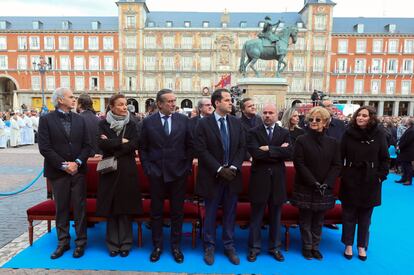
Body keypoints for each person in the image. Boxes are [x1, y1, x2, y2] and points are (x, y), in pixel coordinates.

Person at [139, 89, 192, 264]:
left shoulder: (184, 120)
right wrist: (148, 168)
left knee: (177, 212)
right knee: (156, 212)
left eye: (174, 100)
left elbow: (189, 146)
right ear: (159, 104)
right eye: (169, 101)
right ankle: (158, 246)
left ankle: (176, 246)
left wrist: (185, 168)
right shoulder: (148, 122)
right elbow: (143, 148)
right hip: (156, 174)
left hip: (178, 174)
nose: (173, 104)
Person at [38, 87, 91, 259]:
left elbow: (87, 145)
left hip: (78, 171)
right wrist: (63, 165)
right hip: (58, 172)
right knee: (61, 208)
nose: (74, 99)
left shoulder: (80, 119)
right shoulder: (46, 120)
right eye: (71, 97)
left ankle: (81, 242)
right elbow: (45, 148)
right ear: (60, 100)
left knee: (79, 208)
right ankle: (63, 242)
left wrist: (76, 163)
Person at [194, 88, 245, 266]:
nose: (231, 102)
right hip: (211, 177)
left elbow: (241, 147)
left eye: (231, 100)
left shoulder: (237, 123)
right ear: (217, 102)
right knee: (210, 213)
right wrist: (218, 169)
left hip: (232, 176)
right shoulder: (203, 124)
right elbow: (201, 150)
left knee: (230, 214)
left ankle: (229, 246)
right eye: (227, 100)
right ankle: (209, 246)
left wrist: (233, 167)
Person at [291, 106, 341, 260]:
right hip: (306, 185)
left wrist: (327, 183)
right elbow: (299, 163)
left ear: (325, 122)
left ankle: (315, 246)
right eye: (311, 119)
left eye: (317, 120)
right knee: (305, 219)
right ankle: (307, 246)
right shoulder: (301, 140)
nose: (313, 122)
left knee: (319, 220)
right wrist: (313, 182)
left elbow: (337, 164)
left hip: (325, 187)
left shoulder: (333, 142)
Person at [340, 106, 389, 261]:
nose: (360, 118)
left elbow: (385, 158)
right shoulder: (348, 134)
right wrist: (343, 174)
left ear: (371, 118)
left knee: (365, 217)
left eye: (364, 115)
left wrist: (381, 176)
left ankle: (361, 246)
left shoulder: (379, 134)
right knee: (348, 214)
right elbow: (339, 156)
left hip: (371, 180)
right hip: (351, 178)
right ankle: (348, 244)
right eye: (358, 115)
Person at [96, 94, 142, 257]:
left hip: (127, 170)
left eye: (125, 104)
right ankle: (112, 243)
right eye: (121, 104)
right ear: (112, 107)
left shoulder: (133, 123)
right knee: (111, 208)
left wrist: (113, 142)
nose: (125, 107)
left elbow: (135, 144)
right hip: (109, 170)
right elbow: (101, 144)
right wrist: (121, 141)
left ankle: (126, 243)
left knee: (125, 207)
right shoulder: (102, 123)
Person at [246, 104, 292, 262]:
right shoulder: (253, 132)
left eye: (270, 113)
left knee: (276, 217)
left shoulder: (284, 132)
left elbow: (289, 152)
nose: (267, 115)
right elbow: (256, 153)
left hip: (278, 180)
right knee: (256, 217)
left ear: (277, 115)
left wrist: (268, 149)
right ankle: (254, 248)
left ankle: (275, 248)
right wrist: (277, 150)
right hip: (259, 179)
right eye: (264, 113)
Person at [396, 117, 414, 186]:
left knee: (407, 166)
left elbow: (407, 141)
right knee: (403, 165)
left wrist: (399, 146)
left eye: (406, 121)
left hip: (408, 151)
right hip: (405, 151)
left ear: (409, 122)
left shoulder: (412, 130)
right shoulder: (409, 129)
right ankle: (403, 178)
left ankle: (408, 180)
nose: (404, 121)